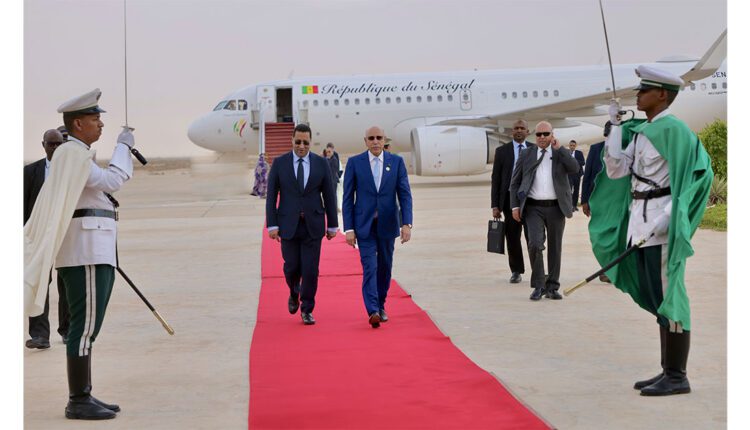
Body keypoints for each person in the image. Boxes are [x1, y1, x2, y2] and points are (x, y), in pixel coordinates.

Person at [591, 66, 713, 396]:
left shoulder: (675, 130)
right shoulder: (643, 132)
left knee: (669, 297)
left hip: (661, 227)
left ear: (662, 95)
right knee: (658, 299)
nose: (638, 96)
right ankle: (667, 370)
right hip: (640, 225)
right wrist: (615, 127)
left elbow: (689, 180)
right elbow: (616, 170)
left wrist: (668, 219)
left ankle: (677, 375)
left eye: (644, 91)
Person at [24, 88, 135, 419]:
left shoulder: (77, 154)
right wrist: (123, 147)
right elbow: (113, 180)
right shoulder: (73, 154)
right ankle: (78, 400)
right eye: (95, 118)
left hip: (93, 250)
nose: (100, 124)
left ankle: (84, 393)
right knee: (83, 328)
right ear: (77, 124)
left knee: (88, 327)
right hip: (84, 252)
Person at [265, 123, 338, 325]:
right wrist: (272, 225)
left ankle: (307, 309)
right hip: (288, 224)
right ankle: (293, 291)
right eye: (298, 142)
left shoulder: (321, 163)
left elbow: (329, 196)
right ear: (292, 140)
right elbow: (271, 196)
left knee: (310, 270)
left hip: (313, 225)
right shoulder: (280, 163)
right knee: (291, 267)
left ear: (310, 142)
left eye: (305, 142)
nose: (301, 146)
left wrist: (332, 225)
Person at [342, 126, 413, 328]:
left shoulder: (396, 162)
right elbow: (347, 197)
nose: (375, 141)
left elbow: (405, 194)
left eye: (379, 138)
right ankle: (372, 310)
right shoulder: (355, 163)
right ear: (365, 141)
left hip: (388, 224)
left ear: (384, 140)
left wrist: (406, 223)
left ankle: (381, 305)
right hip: (364, 226)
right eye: (371, 138)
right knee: (370, 267)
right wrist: (349, 228)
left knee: (385, 267)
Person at [510, 121, 580, 301]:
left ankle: (552, 287)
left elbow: (575, 168)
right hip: (533, 208)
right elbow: (515, 182)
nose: (542, 137)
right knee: (534, 244)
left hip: (556, 208)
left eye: (545, 134)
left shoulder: (559, 153)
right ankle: (539, 285)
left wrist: (560, 149)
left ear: (552, 135)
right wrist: (515, 206)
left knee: (555, 248)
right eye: (539, 134)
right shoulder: (526, 154)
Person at [24, 129, 70, 349]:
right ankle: (40, 336)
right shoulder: (30, 171)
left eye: (59, 144)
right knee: (38, 283)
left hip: (66, 235)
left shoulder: (72, 172)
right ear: (43, 145)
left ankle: (68, 331)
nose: (55, 148)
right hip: (39, 238)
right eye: (51, 144)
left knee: (67, 283)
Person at [491, 119, 535, 284]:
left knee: (534, 237)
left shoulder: (535, 149)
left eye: (522, 128)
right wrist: (495, 205)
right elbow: (496, 179)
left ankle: (537, 270)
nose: (519, 130)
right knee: (512, 237)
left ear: (527, 131)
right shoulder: (502, 151)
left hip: (531, 200)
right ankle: (516, 271)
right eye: (516, 128)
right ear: (511, 132)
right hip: (509, 200)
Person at [581, 122, 612, 283]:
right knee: (600, 237)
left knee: (615, 237)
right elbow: (587, 176)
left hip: (617, 202)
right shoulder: (595, 149)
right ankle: (606, 267)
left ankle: (611, 270)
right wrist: (584, 201)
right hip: (598, 200)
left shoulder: (626, 149)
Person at [567, 140, 585, 210]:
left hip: (577, 175)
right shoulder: (566, 153)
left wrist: (574, 160)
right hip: (569, 175)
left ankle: (574, 205)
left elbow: (583, 162)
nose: (572, 147)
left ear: (575, 146)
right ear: (569, 146)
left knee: (576, 190)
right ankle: (570, 205)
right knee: (569, 190)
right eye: (571, 145)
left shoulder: (579, 153)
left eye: (573, 146)